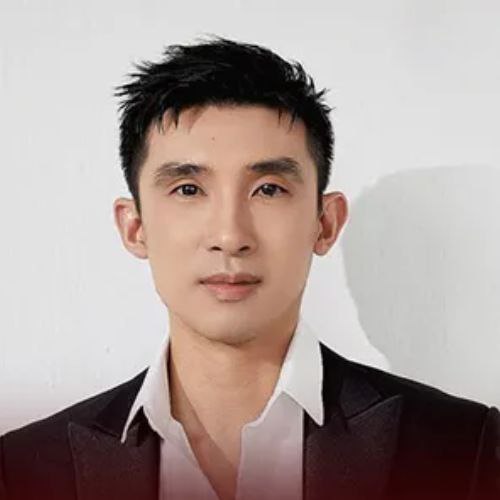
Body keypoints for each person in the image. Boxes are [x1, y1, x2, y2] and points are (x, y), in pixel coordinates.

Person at [0, 37, 498, 500]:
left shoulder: (466, 447)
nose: (230, 235)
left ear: (325, 223)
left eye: (269, 189)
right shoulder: (23, 468)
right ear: (135, 227)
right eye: (188, 190)